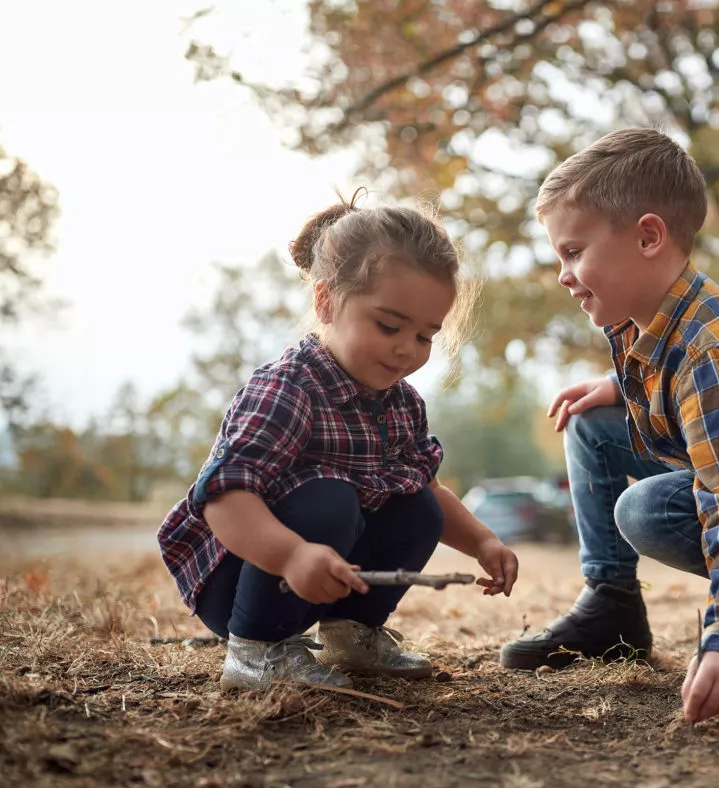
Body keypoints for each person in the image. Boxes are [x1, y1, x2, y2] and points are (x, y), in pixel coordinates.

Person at [499, 129, 719, 723]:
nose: (563, 274)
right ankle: (613, 606)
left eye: (573, 252)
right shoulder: (647, 318)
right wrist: (617, 386)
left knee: (644, 509)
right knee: (593, 424)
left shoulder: (715, 352)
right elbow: (678, 384)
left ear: (648, 237)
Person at [158, 194, 518, 691]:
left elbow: (431, 490)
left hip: (323, 574)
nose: (406, 349)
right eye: (388, 325)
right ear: (326, 302)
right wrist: (290, 555)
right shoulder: (288, 388)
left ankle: (352, 634)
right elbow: (223, 499)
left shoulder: (401, 403)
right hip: (243, 573)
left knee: (417, 505)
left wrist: (483, 541)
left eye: (425, 336)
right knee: (328, 498)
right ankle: (256, 652)